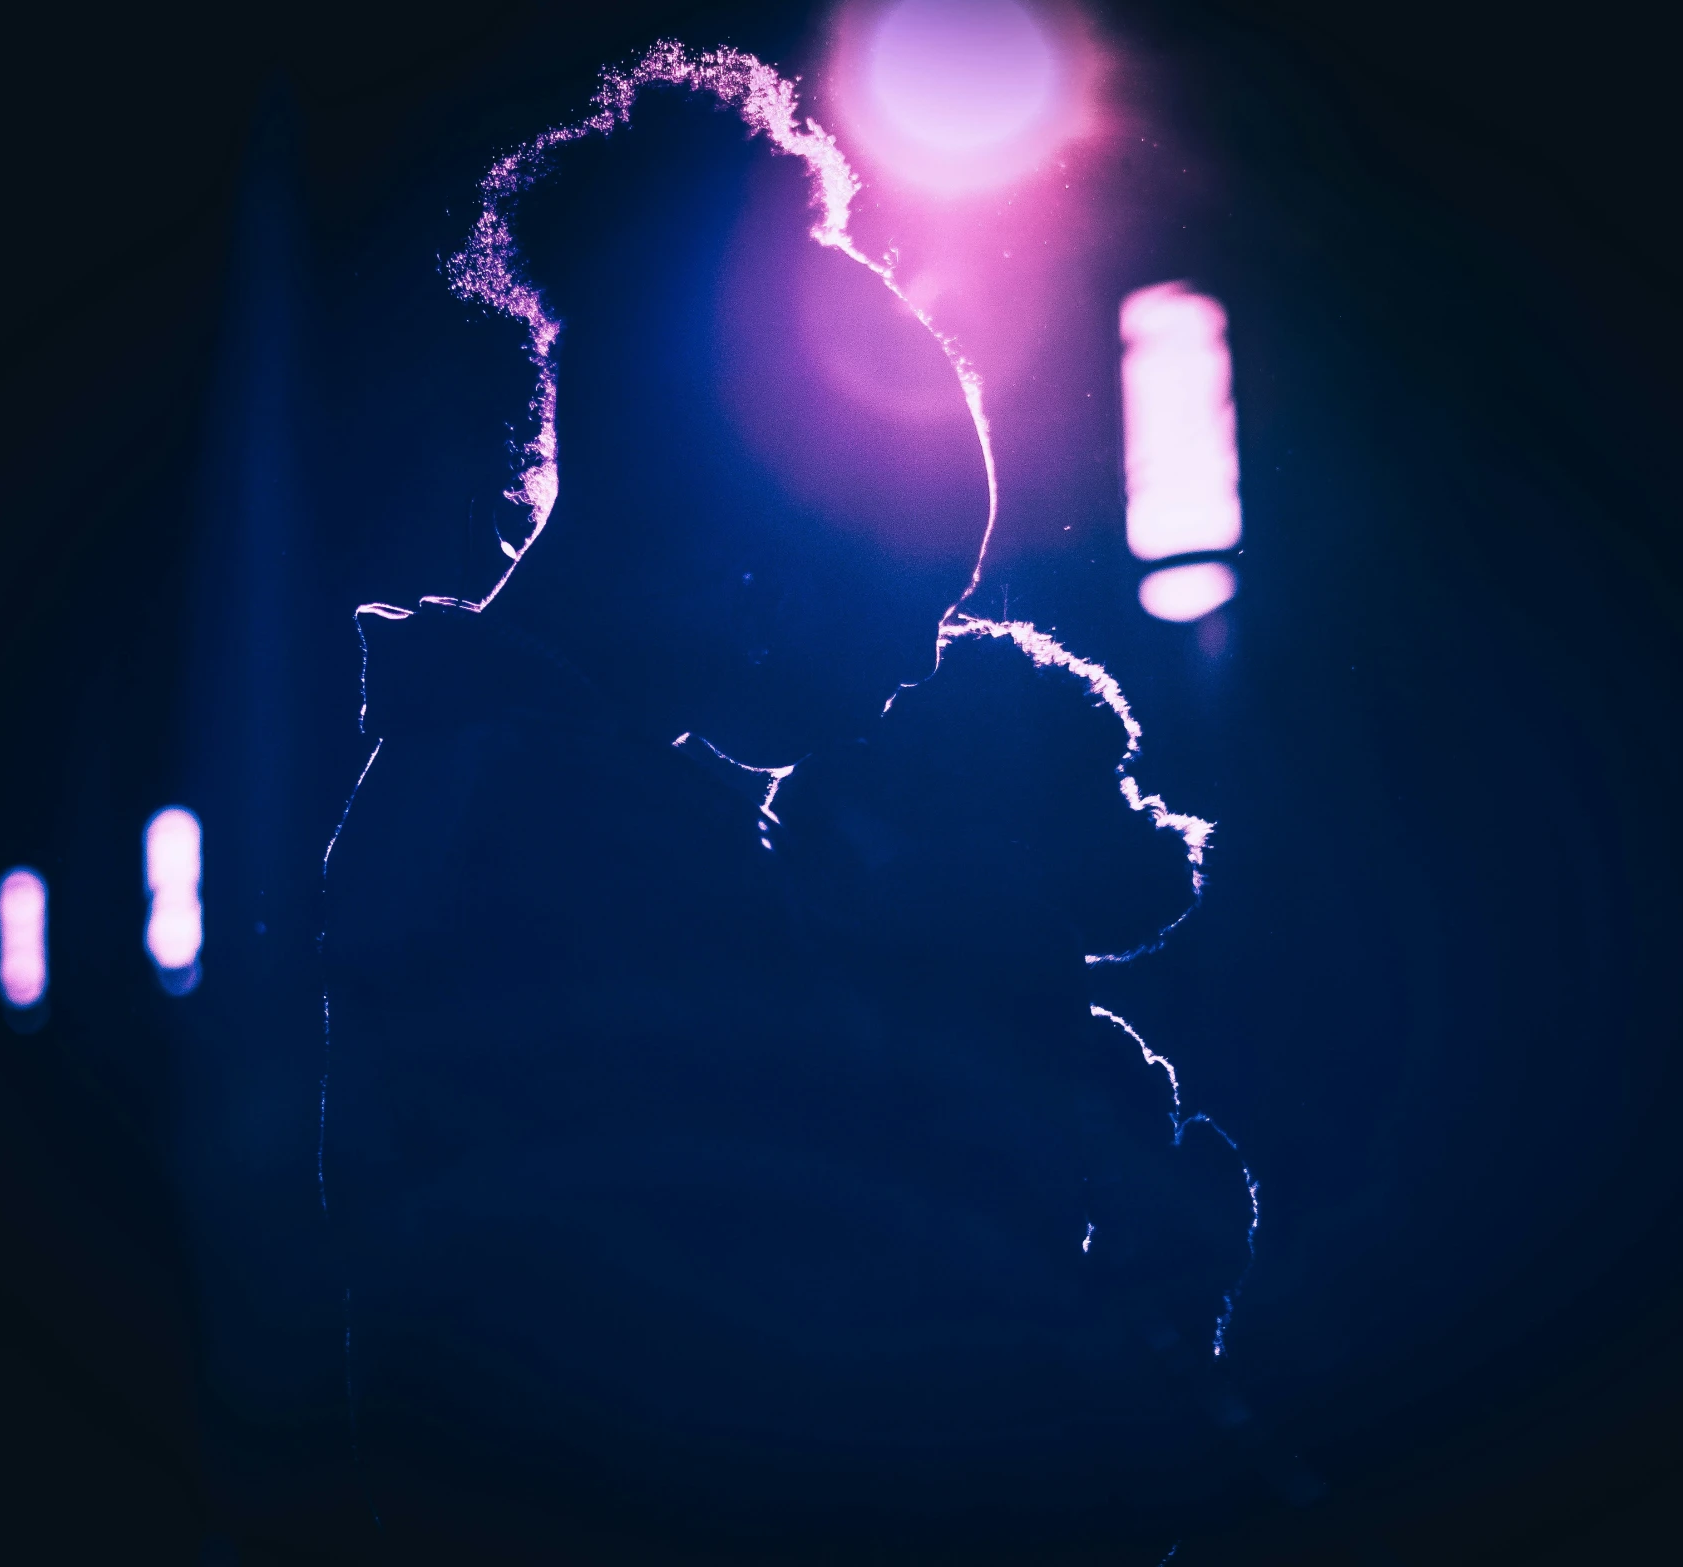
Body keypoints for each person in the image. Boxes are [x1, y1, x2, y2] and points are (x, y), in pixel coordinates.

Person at [321, 84, 1249, 1559]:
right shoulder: (568, 844)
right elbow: (806, 1401)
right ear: (759, 555)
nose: (917, 661)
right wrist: (1128, 1312)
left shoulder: (552, 795)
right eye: (916, 598)